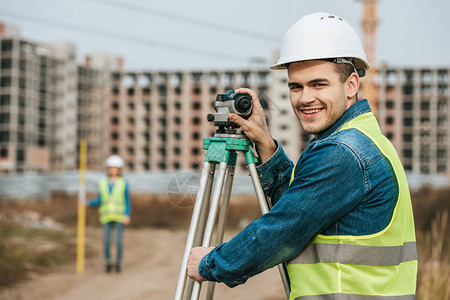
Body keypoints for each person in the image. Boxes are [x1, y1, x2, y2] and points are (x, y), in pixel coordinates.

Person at [187, 12, 417, 299]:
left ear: (351, 85)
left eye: (318, 84)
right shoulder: (361, 139)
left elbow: (280, 230)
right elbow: (302, 207)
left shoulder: (342, 152)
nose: (304, 98)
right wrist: (265, 143)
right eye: (296, 86)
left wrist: (212, 263)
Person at [88, 155, 131, 273]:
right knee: (106, 241)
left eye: (115, 168)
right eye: (111, 168)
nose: (113, 170)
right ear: (108, 169)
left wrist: (127, 214)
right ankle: (107, 262)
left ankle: (117, 262)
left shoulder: (123, 183)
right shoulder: (102, 183)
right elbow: (100, 199)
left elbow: (127, 199)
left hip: (119, 216)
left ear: (119, 169)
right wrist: (88, 203)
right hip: (106, 216)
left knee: (118, 241)